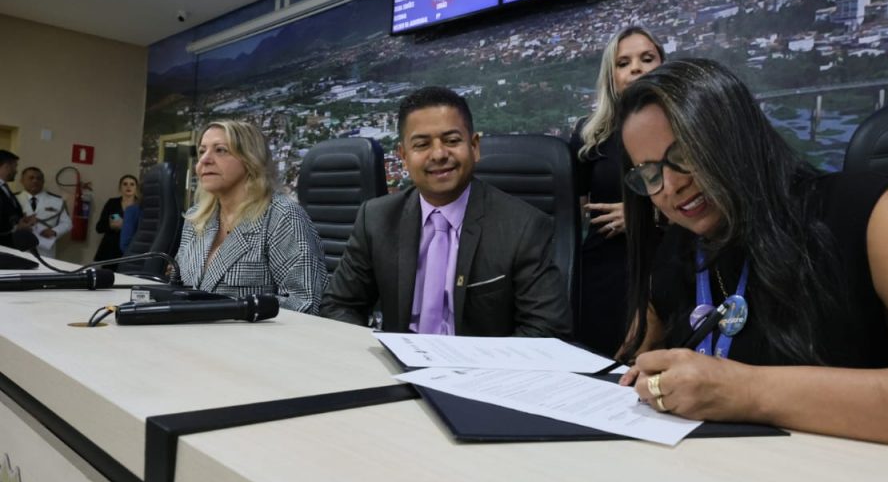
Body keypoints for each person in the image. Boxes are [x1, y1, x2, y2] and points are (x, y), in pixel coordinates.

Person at [618, 59, 888, 448]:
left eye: (685, 156)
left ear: (734, 138)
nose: (670, 187)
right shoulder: (680, 247)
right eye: (650, 174)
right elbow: (642, 355)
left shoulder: (872, 212)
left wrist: (746, 391)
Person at [321, 86, 571, 338]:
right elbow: (340, 305)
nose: (439, 154)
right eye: (422, 144)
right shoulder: (376, 220)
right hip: (396, 370)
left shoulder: (523, 226)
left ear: (474, 147)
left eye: (452, 141)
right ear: (404, 157)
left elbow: (547, 329)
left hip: (483, 371)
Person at [570, 25, 665, 357]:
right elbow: (580, 209)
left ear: (663, 65)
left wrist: (642, 215)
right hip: (602, 268)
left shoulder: (684, 130)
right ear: (611, 76)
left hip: (662, 262)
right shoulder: (589, 135)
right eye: (623, 63)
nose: (636, 68)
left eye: (647, 58)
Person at [174, 120, 327, 315]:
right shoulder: (196, 218)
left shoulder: (281, 216)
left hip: (251, 344)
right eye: (202, 151)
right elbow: (177, 286)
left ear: (250, 159)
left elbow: (304, 303)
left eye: (220, 150)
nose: (204, 160)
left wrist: (228, 312)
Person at [15, 167, 71, 258]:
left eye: (39, 178)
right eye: (31, 178)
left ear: (43, 181)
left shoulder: (56, 201)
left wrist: (54, 231)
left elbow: (67, 223)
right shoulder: (13, 199)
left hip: (45, 251)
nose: (35, 181)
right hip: (18, 248)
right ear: (22, 181)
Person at [94, 173, 139, 267]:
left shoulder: (141, 206)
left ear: (136, 188)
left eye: (132, 184)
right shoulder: (112, 203)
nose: (128, 186)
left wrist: (127, 227)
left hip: (130, 250)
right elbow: (99, 227)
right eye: (125, 184)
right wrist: (111, 226)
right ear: (120, 188)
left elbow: (145, 229)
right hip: (110, 251)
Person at [0, 150, 34, 248]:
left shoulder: (4, 187)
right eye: (15, 166)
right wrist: (16, 228)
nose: (16, 170)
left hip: (10, 246)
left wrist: (20, 219)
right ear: (7, 166)